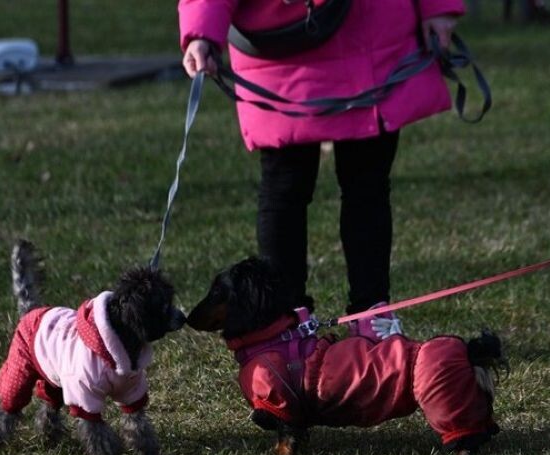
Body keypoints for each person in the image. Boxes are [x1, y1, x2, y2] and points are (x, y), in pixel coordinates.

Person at [178, 0, 465, 337]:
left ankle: (370, 312)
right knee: (288, 188)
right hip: (282, 44)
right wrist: (202, 31)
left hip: (368, 31)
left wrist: (438, 7)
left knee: (365, 184)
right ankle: (286, 318)